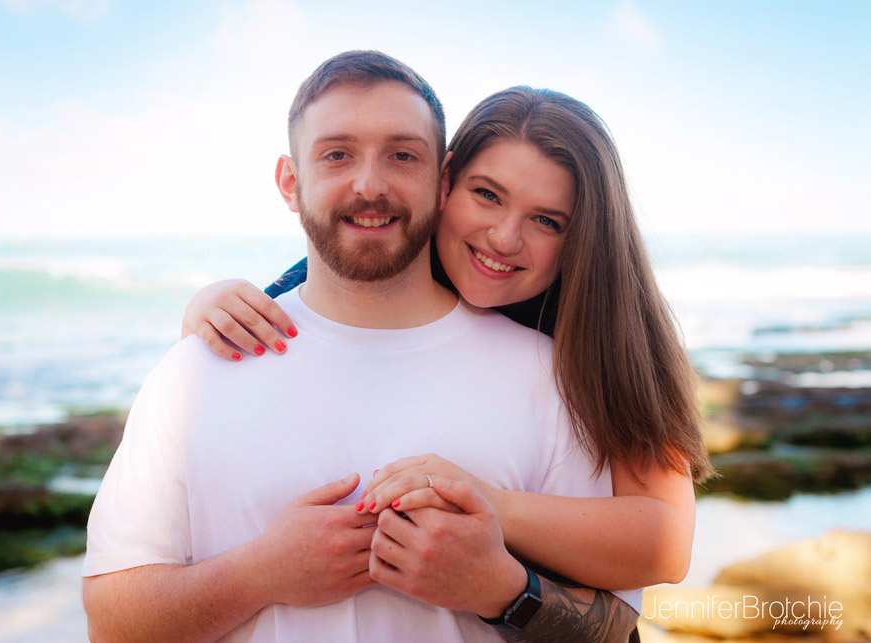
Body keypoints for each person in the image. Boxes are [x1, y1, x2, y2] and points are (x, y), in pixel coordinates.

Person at [82, 51, 640, 642]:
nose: (369, 185)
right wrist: (257, 576)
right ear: (290, 184)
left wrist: (497, 589)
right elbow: (111, 626)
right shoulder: (196, 369)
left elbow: (618, 624)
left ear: (442, 179)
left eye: (402, 155)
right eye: (337, 154)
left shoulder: (547, 373)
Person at [181, 84, 714, 593]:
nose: (504, 238)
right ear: (444, 182)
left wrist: (486, 503)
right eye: (487, 195)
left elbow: (666, 545)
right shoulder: (383, 262)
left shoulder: (610, 324)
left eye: (547, 221)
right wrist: (206, 306)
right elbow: (268, 319)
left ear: (584, 237)